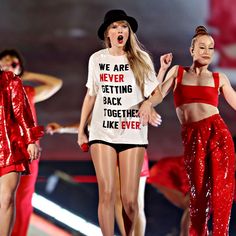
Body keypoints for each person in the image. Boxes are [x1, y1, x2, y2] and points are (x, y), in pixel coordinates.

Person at [77, 9, 172, 236]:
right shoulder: (97, 59)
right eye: (115, 27)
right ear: (107, 34)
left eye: (124, 27)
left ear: (129, 32)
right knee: (107, 193)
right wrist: (82, 130)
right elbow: (91, 95)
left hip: (132, 133)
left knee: (130, 201)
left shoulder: (140, 58)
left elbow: (156, 93)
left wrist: (148, 104)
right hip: (102, 131)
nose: (120, 30)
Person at [138, 25, 236, 236]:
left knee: (220, 195)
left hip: (217, 135)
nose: (206, 51)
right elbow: (158, 95)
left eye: (210, 48)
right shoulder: (178, 72)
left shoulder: (219, 78)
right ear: (192, 50)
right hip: (193, 138)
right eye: (202, 47)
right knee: (198, 197)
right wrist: (147, 103)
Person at [46, 121, 150, 236]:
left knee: (135, 203)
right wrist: (62, 128)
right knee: (118, 199)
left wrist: (149, 105)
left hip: (132, 146)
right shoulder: (102, 105)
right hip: (111, 149)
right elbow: (92, 124)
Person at [0, 49, 63, 236]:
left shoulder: (27, 92)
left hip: (23, 153)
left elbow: (56, 83)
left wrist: (26, 75)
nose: (8, 63)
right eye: (4, 60)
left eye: (13, 61)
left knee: (19, 199)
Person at [0, 68, 44, 236]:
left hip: (9, 147)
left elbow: (22, 112)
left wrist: (30, 140)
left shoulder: (10, 81)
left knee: (6, 198)